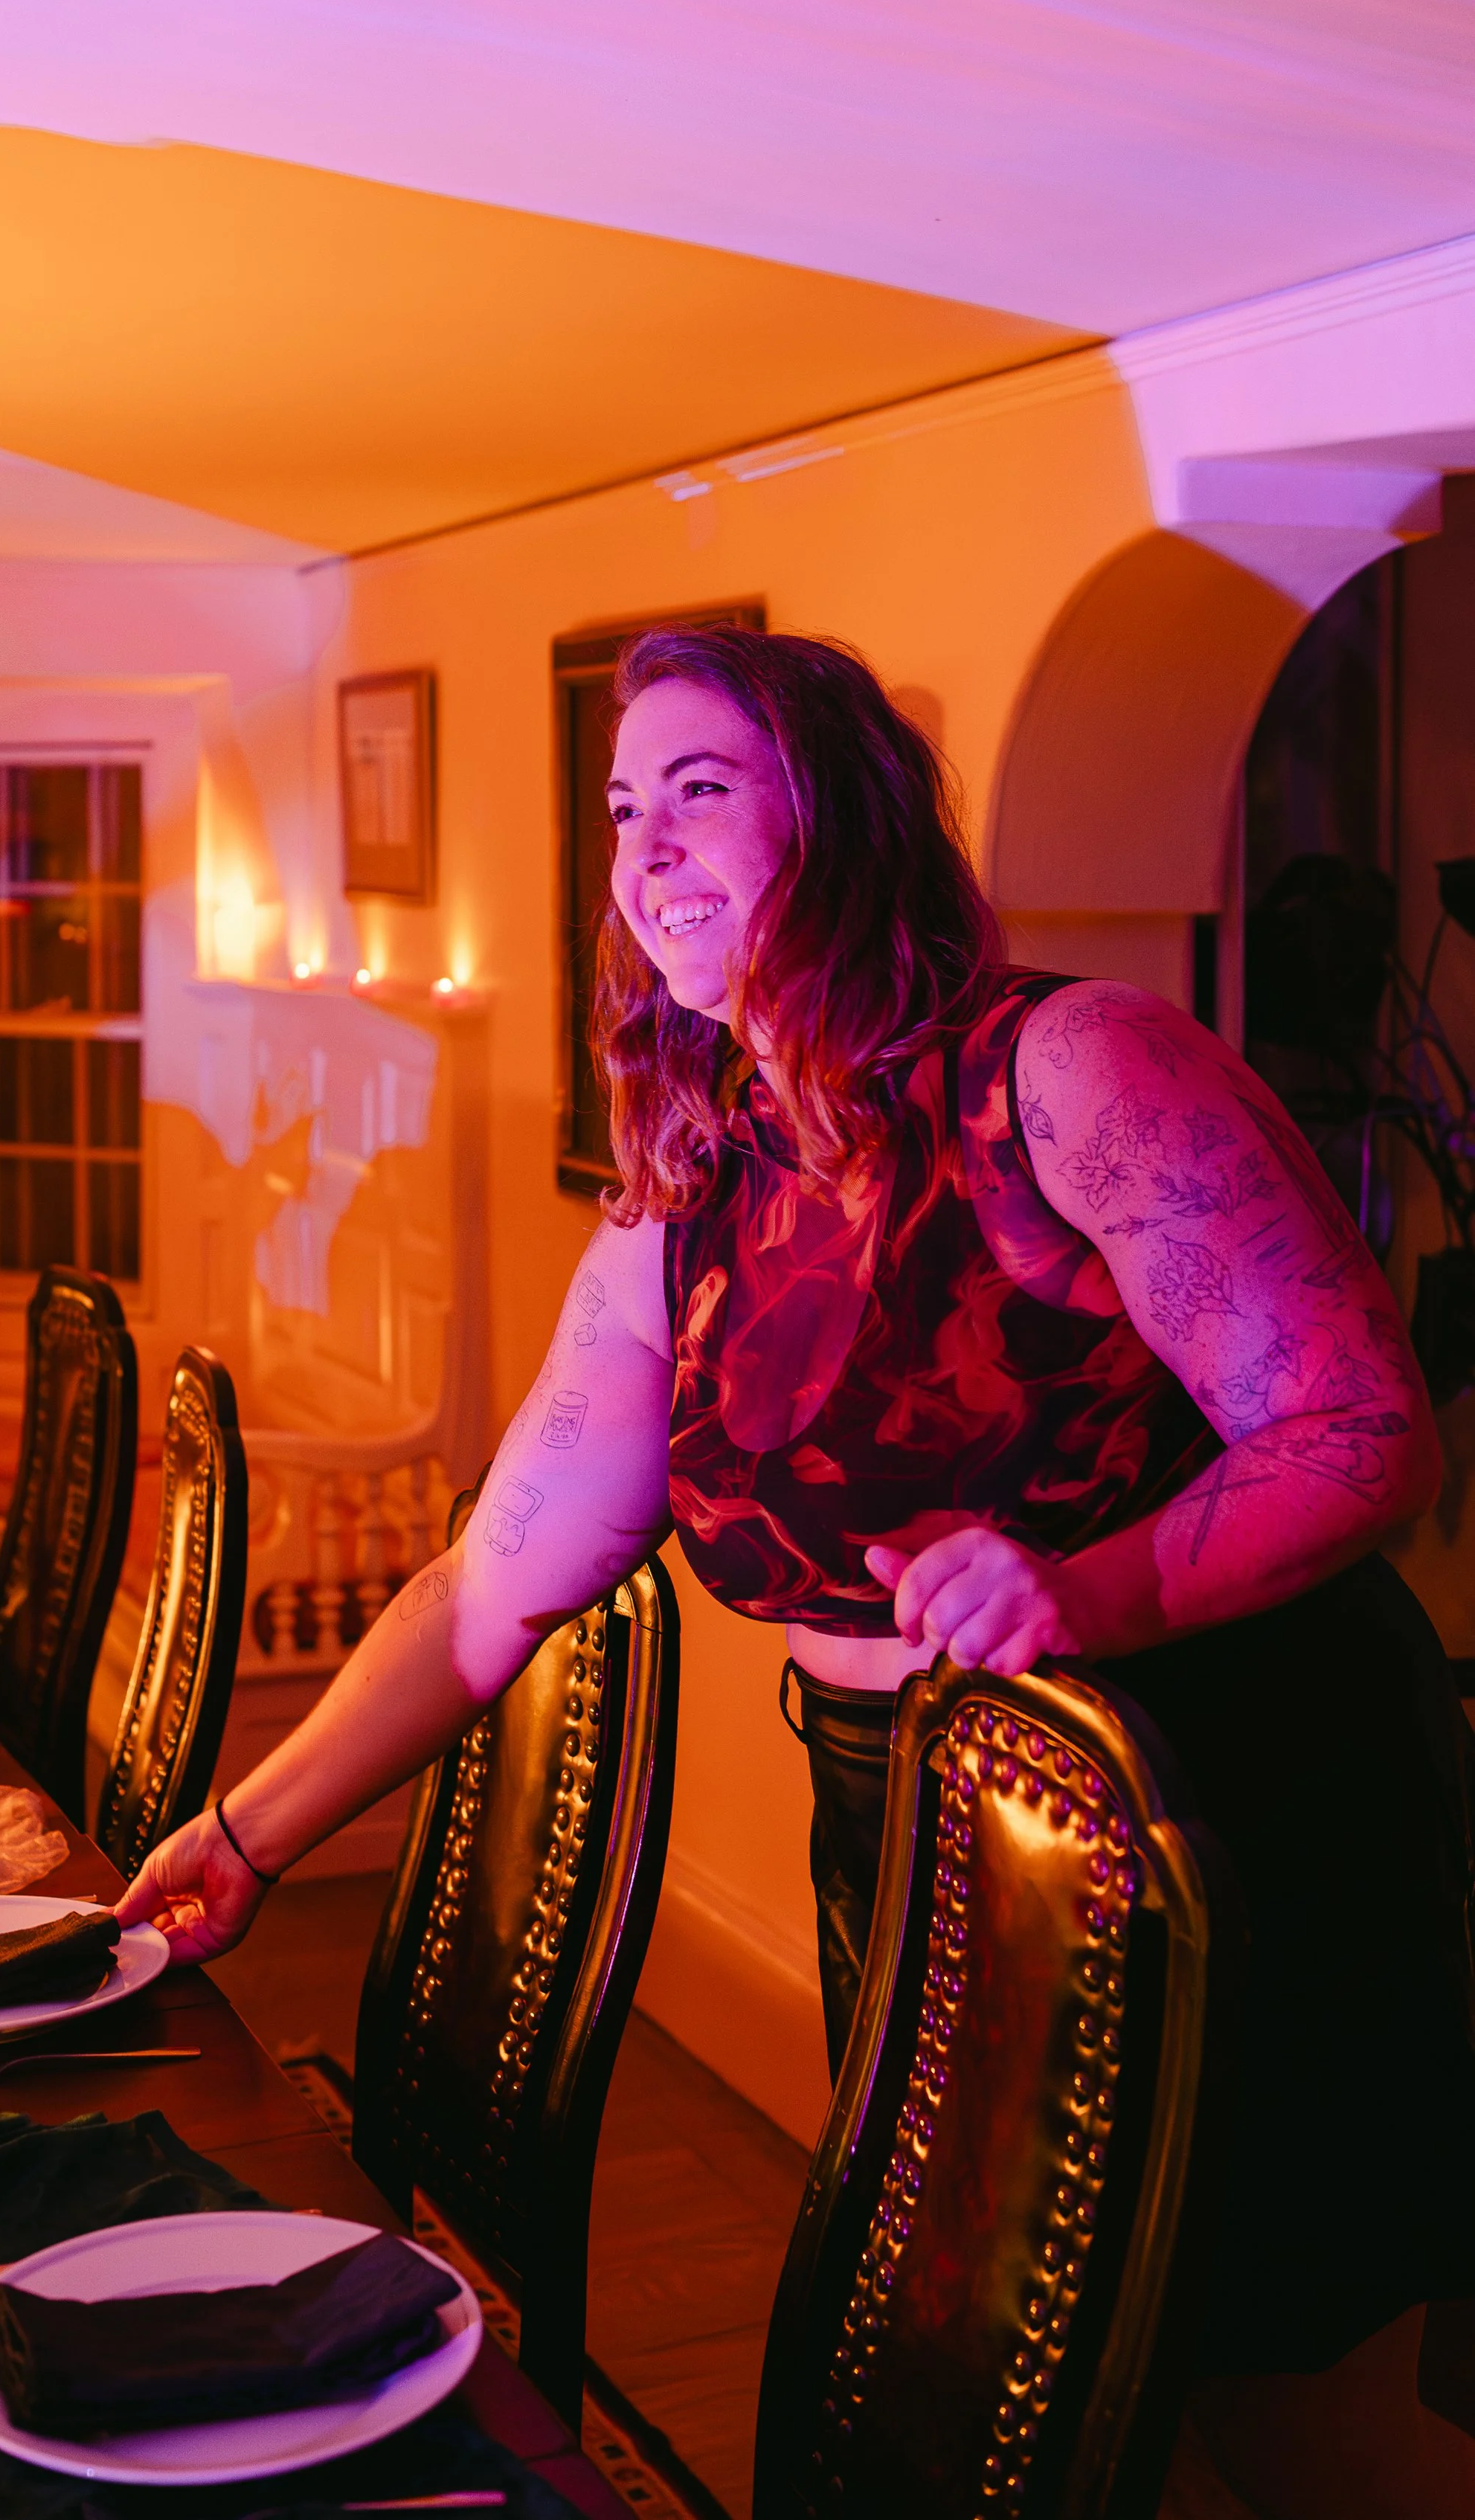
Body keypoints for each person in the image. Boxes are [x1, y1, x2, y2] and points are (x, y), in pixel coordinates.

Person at [119, 625, 1475, 2517]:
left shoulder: (1069, 1067)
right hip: (908, 1837)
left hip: (1216, 1796)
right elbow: (487, 1588)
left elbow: (1358, 1429)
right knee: (1014, 2405)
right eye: (622, 808)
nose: (644, 850)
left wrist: (1081, 1596)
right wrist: (242, 1837)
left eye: (700, 791)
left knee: (1278, 2392)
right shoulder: (695, 1186)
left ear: (841, 818)